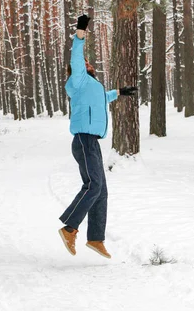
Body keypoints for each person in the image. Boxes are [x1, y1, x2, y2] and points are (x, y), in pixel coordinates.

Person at [58, 14, 137, 259]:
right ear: (79, 69)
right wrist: (81, 31)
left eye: (89, 63)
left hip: (91, 141)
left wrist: (120, 92)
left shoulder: (94, 87)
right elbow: (76, 57)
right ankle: (69, 228)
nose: (89, 64)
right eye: (85, 64)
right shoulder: (79, 80)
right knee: (93, 186)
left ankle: (95, 239)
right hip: (83, 139)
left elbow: (104, 98)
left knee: (100, 190)